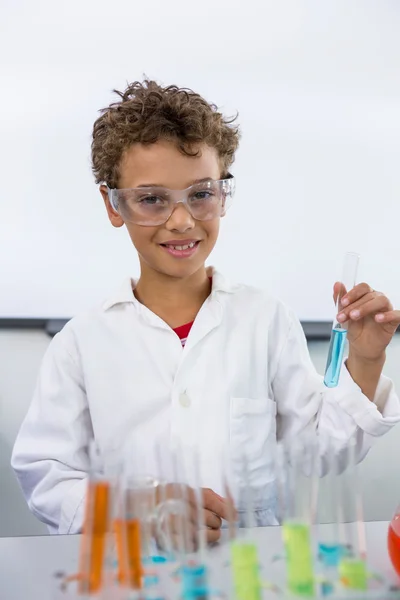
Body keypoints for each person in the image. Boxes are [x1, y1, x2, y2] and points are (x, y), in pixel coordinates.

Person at [12, 80, 400, 539]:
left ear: (222, 193)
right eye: (152, 198)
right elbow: (47, 477)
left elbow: (323, 451)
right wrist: (139, 509)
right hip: (133, 575)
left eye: (201, 193)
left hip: (248, 573)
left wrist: (366, 360)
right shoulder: (81, 343)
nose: (182, 220)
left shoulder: (265, 320)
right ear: (113, 205)